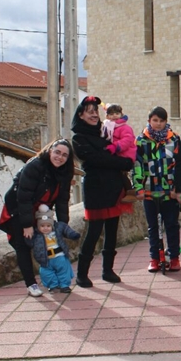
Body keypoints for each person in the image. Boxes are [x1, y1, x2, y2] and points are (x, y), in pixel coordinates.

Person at [0, 139, 75, 297]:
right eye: (57, 152)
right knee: (23, 245)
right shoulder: (35, 165)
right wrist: (27, 225)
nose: (60, 157)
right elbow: (23, 196)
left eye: (64, 155)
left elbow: (62, 200)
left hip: (40, 211)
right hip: (18, 209)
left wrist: (62, 226)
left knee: (49, 245)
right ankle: (31, 284)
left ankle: (55, 281)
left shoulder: (66, 172)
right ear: (50, 151)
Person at [71, 95, 135, 288]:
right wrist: (124, 163)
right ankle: (82, 273)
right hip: (96, 188)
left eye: (95, 111)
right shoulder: (78, 138)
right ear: (81, 115)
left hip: (114, 186)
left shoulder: (105, 131)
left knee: (112, 231)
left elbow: (119, 150)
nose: (93, 114)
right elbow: (95, 160)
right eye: (89, 111)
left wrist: (121, 159)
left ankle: (108, 270)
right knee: (94, 231)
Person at [133, 106, 181, 273]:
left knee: (172, 225)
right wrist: (138, 187)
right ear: (149, 121)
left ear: (166, 122)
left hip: (170, 191)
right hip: (149, 190)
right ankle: (154, 257)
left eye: (161, 121)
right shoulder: (141, 141)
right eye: (155, 120)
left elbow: (179, 165)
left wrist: (177, 187)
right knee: (153, 226)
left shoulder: (174, 139)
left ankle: (174, 257)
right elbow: (137, 165)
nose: (158, 124)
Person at [29, 205, 81, 293]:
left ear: (52, 225)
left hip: (59, 255)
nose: (45, 228)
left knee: (64, 271)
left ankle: (64, 285)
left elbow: (66, 229)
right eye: (42, 226)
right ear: (38, 226)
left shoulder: (58, 228)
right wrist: (27, 238)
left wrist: (73, 235)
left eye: (48, 226)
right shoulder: (36, 235)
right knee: (46, 273)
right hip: (45, 258)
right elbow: (30, 242)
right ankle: (53, 285)